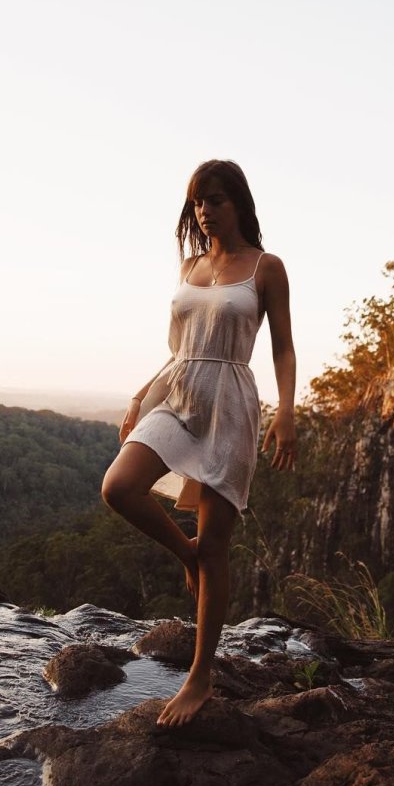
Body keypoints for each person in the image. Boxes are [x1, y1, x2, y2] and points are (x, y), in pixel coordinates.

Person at [101, 159, 296, 727]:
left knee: (216, 545)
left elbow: (283, 346)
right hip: (178, 391)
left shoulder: (266, 267)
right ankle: (186, 554)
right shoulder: (190, 266)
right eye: (197, 202)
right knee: (119, 487)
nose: (204, 211)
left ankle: (200, 676)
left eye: (215, 200)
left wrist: (287, 411)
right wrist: (141, 394)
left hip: (230, 403)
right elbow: (179, 347)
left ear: (238, 203)